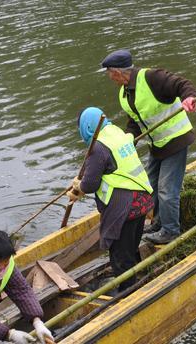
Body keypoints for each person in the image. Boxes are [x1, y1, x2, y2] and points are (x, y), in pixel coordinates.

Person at [101, 49, 196, 244]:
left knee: (166, 189)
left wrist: (189, 97)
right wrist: (129, 139)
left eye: (110, 73)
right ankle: (158, 223)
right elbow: (134, 122)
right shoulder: (124, 94)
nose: (110, 78)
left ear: (118, 72)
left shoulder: (151, 77)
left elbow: (182, 84)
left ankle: (171, 231)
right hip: (157, 145)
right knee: (150, 186)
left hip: (176, 140)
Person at [68, 107, 154, 291]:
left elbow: (90, 184)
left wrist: (78, 187)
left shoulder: (98, 147)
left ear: (87, 128)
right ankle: (133, 281)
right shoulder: (115, 132)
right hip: (142, 201)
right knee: (130, 248)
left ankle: (128, 293)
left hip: (125, 208)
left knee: (120, 257)